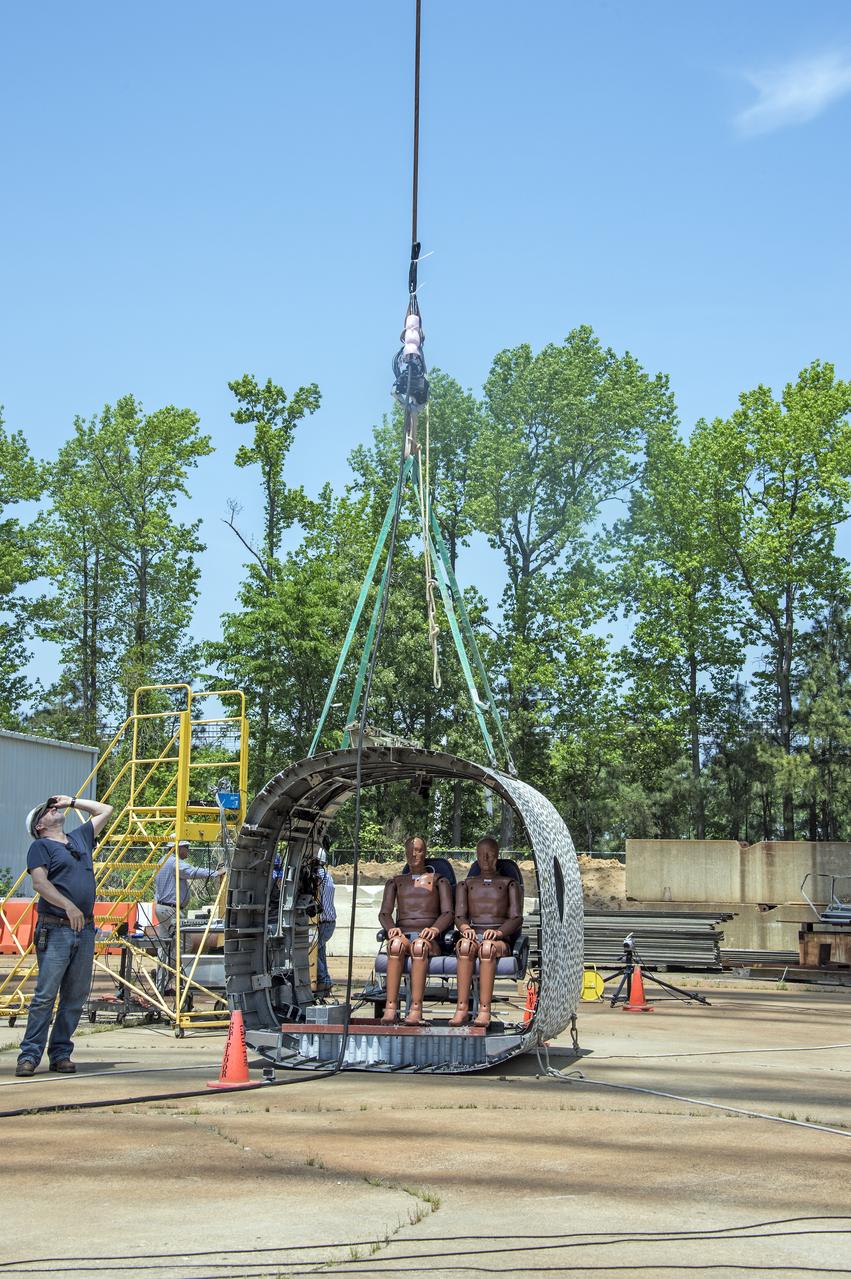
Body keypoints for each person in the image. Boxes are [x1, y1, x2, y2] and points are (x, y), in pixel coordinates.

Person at [16, 793, 114, 1076]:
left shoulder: (79, 838)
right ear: (39, 827)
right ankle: (29, 1056)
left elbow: (105, 809)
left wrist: (71, 801)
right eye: (46, 810)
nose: (52, 810)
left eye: (52, 807)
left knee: (75, 996)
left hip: (83, 930)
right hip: (56, 927)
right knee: (45, 995)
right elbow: (39, 883)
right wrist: (69, 905)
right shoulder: (41, 847)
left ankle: (60, 1053)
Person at [378, 835, 453, 1026]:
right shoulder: (396, 882)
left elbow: (448, 913)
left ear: (425, 853)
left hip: (427, 938)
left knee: (419, 947)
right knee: (394, 946)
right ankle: (391, 1007)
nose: (414, 854)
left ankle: (416, 1010)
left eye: (418, 850)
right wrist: (391, 929)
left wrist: (435, 929)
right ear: (405, 854)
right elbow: (384, 913)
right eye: (410, 851)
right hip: (403, 935)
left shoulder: (439, 880)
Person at [449, 836, 523, 1029]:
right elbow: (459, 916)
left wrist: (498, 933)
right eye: (482, 856)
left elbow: (516, 918)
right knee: (464, 946)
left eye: (490, 855)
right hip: (473, 935)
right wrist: (465, 929)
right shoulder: (466, 884)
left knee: (487, 949)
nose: (486, 859)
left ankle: (484, 1009)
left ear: (497, 857)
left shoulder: (509, 884)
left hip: (498, 940)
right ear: (476, 857)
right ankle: (462, 1008)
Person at [153, 840, 225, 995]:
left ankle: (161, 982)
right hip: (170, 910)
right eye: (187, 847)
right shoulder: (174, 863)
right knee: (183, 944)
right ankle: (168, 974)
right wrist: (215, 873)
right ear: (178, 848)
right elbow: (191, 872)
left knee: (165, 946)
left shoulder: (163, 861)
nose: (189, 851)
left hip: (163, 908)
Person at [315, 846, 336, 993]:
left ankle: (324, 979)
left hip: (323, 922)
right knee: (320, 951)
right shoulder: (328, 875)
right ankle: (325, 980)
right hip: (330, 922)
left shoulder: (317, 875)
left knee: (312, 952)